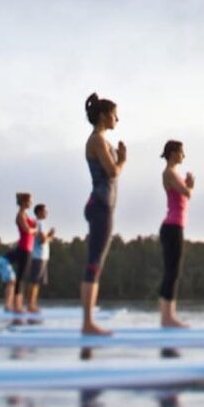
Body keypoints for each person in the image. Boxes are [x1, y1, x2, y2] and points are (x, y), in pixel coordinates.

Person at [82, 93, 126, 335]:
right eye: (114, 114)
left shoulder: (102, 140)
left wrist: (118, 158)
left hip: (102, 205)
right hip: (100, 205)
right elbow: (112, 171)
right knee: (94, 264)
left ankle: (88, 321)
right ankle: (88, 323)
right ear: (102, 115)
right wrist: (123, 160)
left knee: (96, 263)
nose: (117, 118)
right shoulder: (98, 140)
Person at [158, 141, 194, 328]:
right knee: (172, 272)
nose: (183, 156)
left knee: (174, 272)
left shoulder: (174, 175)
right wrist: (190, 186)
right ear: (172, 153)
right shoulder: (169, 173)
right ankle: (167, 318)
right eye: (181, 152)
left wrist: (187, 186)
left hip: (175, 226)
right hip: (172, 227)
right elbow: (187, 193)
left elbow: (184, 193)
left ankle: (168, 316)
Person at [6, 192, 37, 313]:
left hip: (28, 248)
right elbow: (27, 230)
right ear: (24, 202)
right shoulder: (20, 215)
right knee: (21, 277)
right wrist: (35, 229)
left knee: (23, 277)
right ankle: (16, 306)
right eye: (30, 201)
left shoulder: (25, 215)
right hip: (23, 248)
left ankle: (19, 304)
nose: (31, 203)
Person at [26, 203, 55, 313]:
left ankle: (32, 304)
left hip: (41, 256)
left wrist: (49, 235)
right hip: (38, 256)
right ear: (39, 212)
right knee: (34, 281)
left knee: (36, 282)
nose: (46, 212)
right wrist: (51, 236)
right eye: (44, 211)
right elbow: (43, 240)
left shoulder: (39, 223)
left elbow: (42, 238)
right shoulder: (40, 223)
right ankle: (30, 305)